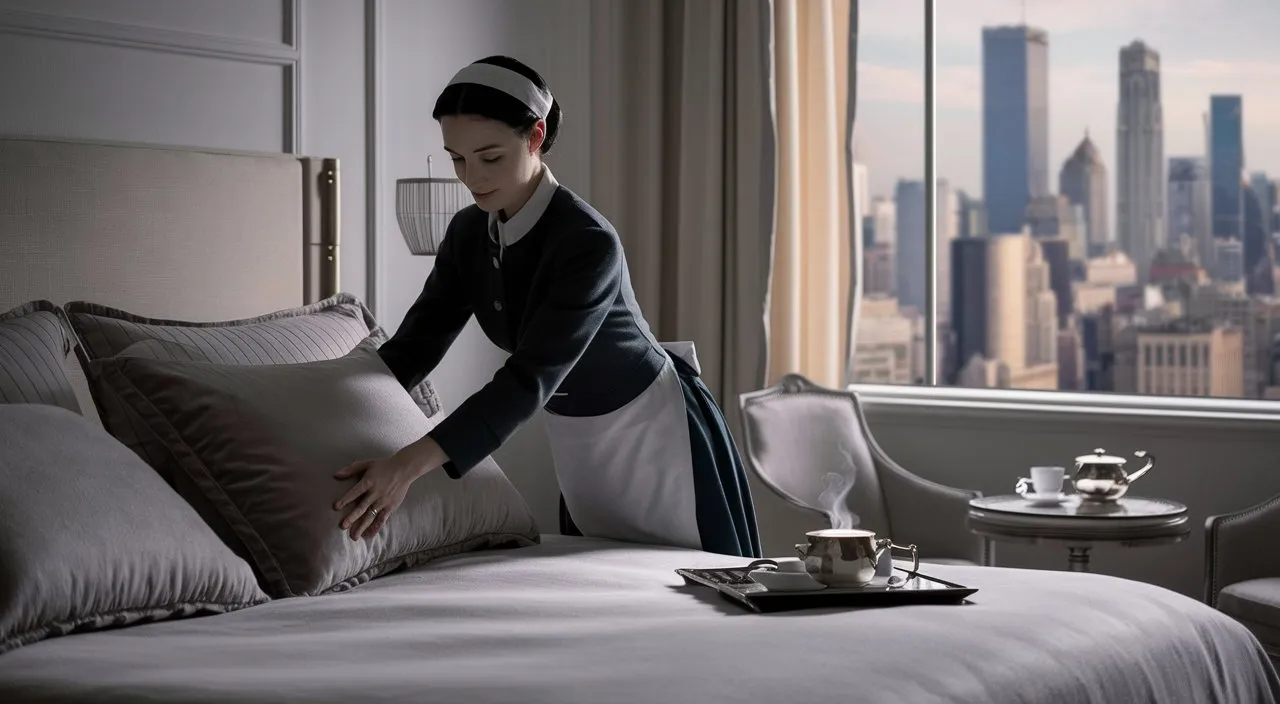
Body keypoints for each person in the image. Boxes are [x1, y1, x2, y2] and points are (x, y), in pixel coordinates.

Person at [332, 55, 761, 558]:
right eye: (457, 159)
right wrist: (319, 404)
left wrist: (406, 466)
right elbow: (412, 349)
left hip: (652, 430)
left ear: (535, 138)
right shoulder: (468, 233)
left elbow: (527, 377)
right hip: (576, 433)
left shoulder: (585, 241)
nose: (471, 177)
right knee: (601, 589)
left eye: (490, 157)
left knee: (698, 588)